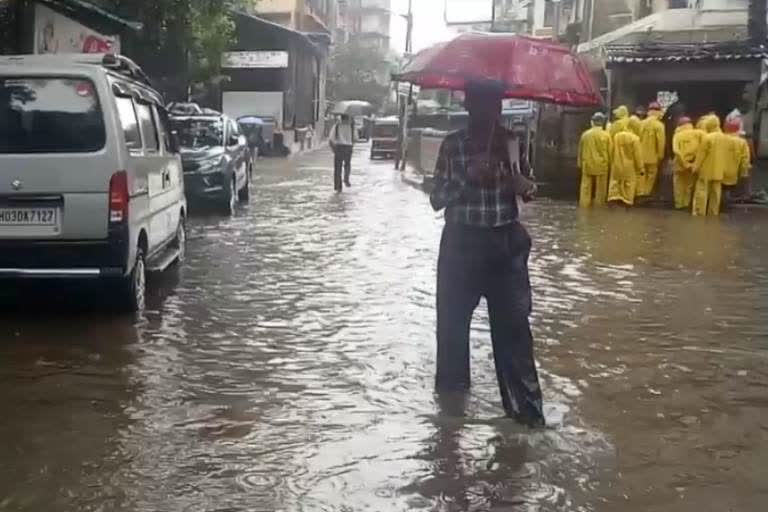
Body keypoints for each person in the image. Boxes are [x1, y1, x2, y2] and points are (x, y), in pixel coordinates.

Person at [429, 80, 544, 427]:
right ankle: (450, 418)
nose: (487, 114)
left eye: (493, 106)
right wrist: (468, 176)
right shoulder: (453, 146)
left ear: (499, 108)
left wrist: (525, 187)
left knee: (514, 333)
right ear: (468, 108)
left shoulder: (512, 142)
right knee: (451, 332)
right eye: (480, 106)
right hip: (461, 247)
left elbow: (529, 187)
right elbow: (437, 199)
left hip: (505, 246)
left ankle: (527, 414)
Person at [692, 115, 735, 216]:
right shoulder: (727, 139)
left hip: (706, 171)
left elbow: (701, 156)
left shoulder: (707, 138)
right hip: (719, 171)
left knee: (702, 192)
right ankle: (713, 213)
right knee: (716, 193)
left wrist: (695, 168)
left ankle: (699, 213)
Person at [607, 117, 643, 206]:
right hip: (629, 166)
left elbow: (611, 150)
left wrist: (611, 161)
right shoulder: (635, 139)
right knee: (629, 184)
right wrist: (640, 168)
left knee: (615, 182)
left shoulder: (617, 136)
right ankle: (627, 201)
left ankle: (613, 198)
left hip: (616, 164)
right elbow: (637, 155)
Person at [578, 112, 612, 207]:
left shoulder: (585, 135)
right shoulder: (606, 136)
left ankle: (584, 206)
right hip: (602, 166)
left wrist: (579, 164)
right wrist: (611, 165)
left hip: (587, 165)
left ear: (592, 122)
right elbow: (610, 152)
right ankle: (599, 209)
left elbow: (580, 151)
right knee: (601, 191)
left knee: (585, 189)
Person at [671, 117, 703, 210]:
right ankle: (686, 204)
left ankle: (679, 205)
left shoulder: (677, 135)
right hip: (693, 163)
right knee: (689, 186)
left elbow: (676, 151)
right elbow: (703, 148)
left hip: (679, 164)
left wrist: (684, 163)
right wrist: (695, 163)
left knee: (678, 186)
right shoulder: (699, 133)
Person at [638, 102, 666, 197]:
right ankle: (646, 193)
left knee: (641, 174)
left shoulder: (641, 123)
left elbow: (638, 138)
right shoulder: (659, 125)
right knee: (651, 175)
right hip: (653, 156)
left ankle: (639, 192)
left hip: (641, 155)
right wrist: (660, 155)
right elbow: (661, 142)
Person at [329, 114, 355, 192]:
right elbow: (356, 138)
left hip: (339, 147)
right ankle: (346, 179)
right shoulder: (352, 126)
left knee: (337, 168)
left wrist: (333, 149)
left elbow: (331, 139)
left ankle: (338, 187)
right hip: (348, 147)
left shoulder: (337, 126)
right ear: (348, 117)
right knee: (347, 164)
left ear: (341, 117)